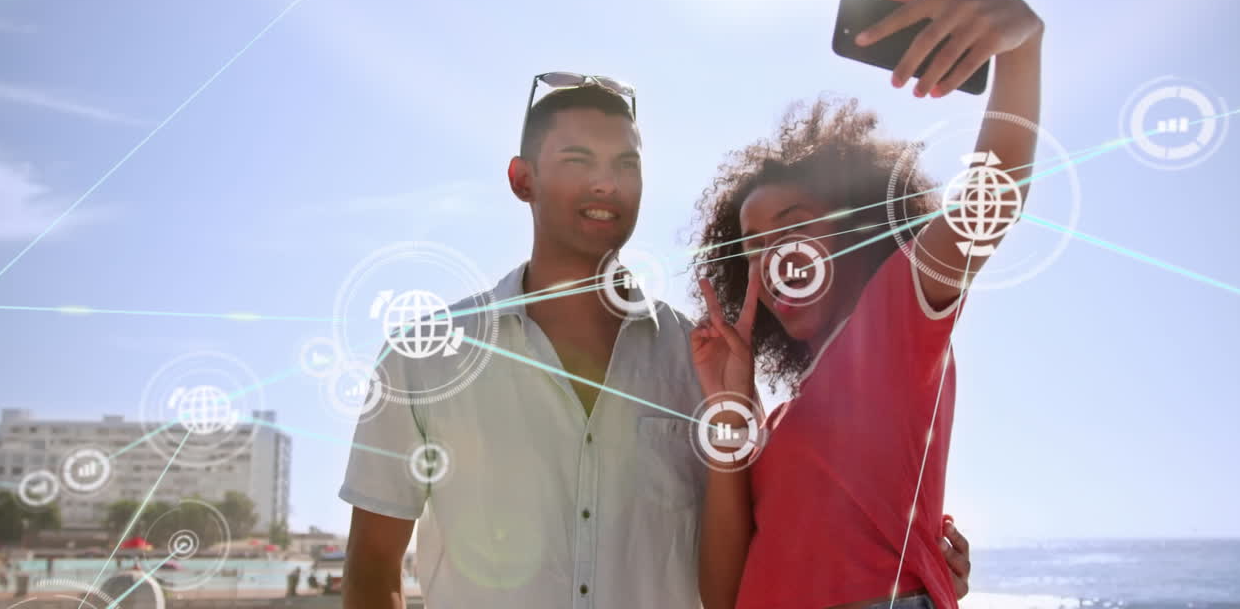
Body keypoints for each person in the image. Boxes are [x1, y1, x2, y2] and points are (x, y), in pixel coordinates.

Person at [340, 75, 975, 608]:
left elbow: (770, 545)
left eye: (625, 164)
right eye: (577, 161)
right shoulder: (421, 356)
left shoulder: (702, 361)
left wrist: (912, 555)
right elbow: (373, 565)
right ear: (522, 179)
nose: (605, 184)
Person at [691, 0, 1043, 609]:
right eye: (752, 244)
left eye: (796, 224)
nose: (775, 255)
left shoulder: (890, 322)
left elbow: (989, 200)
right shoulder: (777, 420)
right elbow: (724, 595)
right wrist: (732, 400)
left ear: (858, 230)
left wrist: (1021, 44)